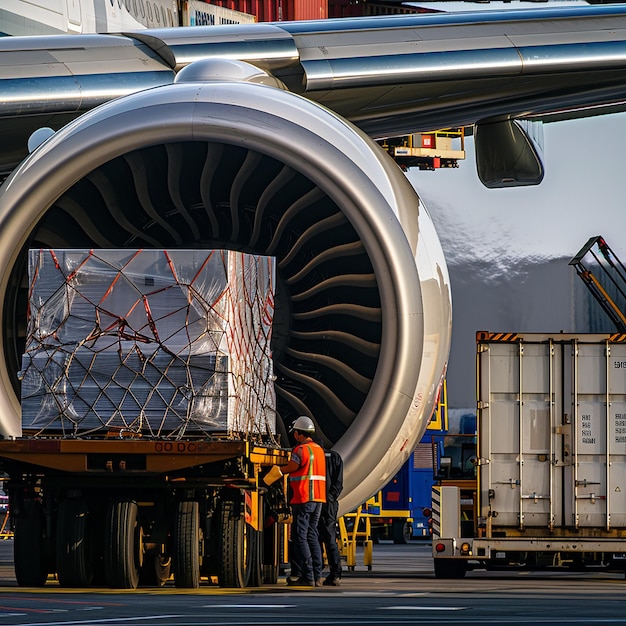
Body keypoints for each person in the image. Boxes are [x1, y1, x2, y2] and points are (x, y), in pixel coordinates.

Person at [280, 415, 327, 587]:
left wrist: (278, 470)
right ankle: (317, 574)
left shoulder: (300, 450)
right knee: (312, 535)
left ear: (300, 434)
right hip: (318, 499)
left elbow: (292, 467)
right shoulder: (319, 450)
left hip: (303, 497)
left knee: (300, 536)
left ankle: (307, 576)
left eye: (295, 433)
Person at [318, 446, 343, 586]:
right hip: (329, 503)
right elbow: (339, 483)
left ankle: (317, 569)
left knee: (313, 536)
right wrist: (331, 498)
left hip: (314, 500)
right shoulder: (335, 457)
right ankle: (335, 573)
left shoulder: (313, 455)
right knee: (330, 538)